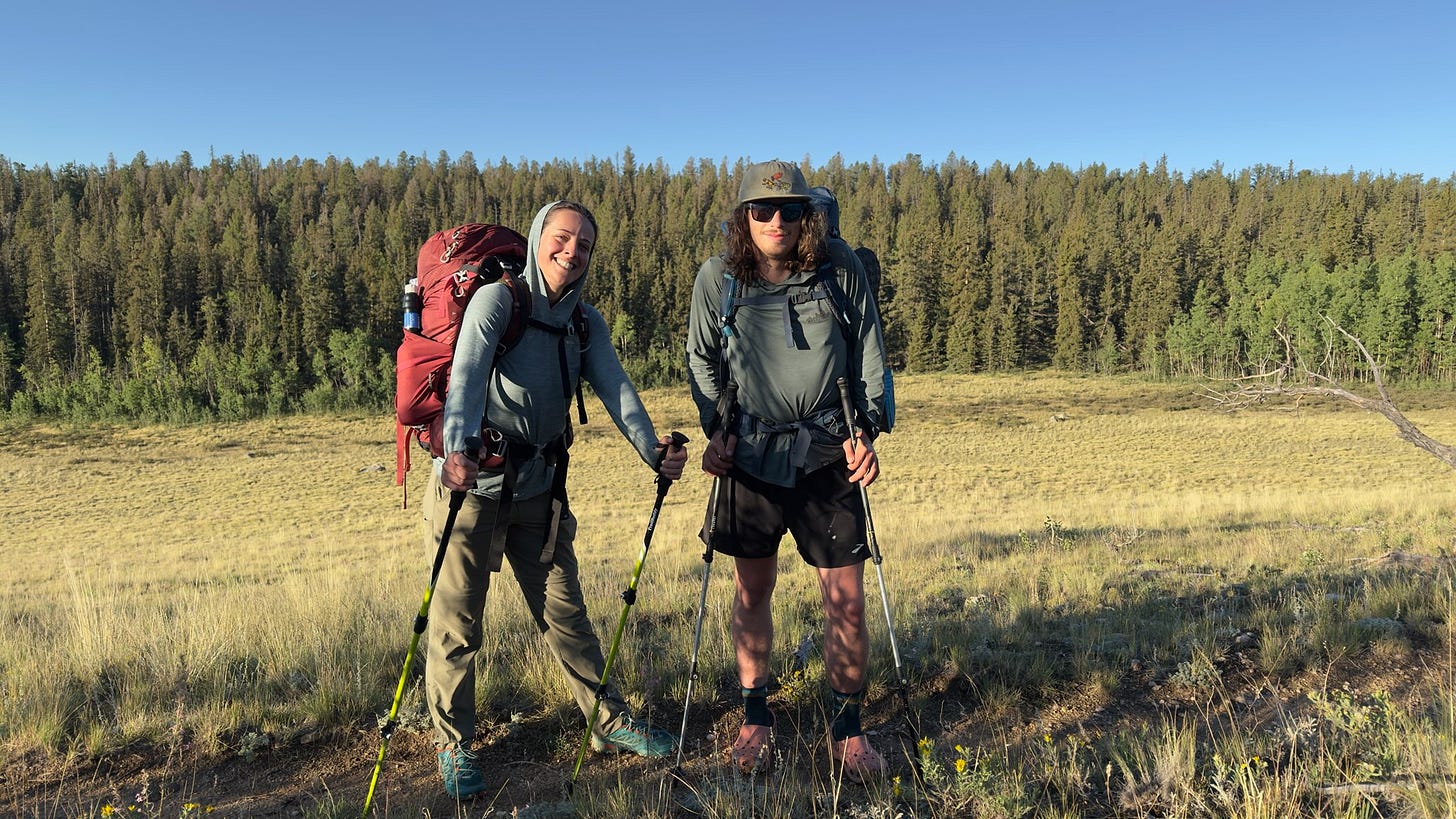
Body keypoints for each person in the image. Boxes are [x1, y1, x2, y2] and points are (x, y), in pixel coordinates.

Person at [427, 200, 687, 798]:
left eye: (584, 245)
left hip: (540, 492)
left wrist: (653, 449)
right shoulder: (500, 300)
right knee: (457, 622)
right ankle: (455, 744)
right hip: (474, 485)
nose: (572, 251)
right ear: (538, 239)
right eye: (562, 238)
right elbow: (465, 375)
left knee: (566, 614)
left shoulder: (584, 323)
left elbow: (616, 388)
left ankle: (608, 722)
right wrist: (457, 453)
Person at [686, 160, 891, 782]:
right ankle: (755, 717)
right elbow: (701, 361)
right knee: (753, 589)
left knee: (846, 600)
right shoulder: (718, 279)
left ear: (809, 215)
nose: (777, 220)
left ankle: (848, 731)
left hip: (829, 453)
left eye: (791, 209)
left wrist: (869, 431)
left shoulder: (841, 270)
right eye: (762, 209)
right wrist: (715, 430)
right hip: (749, 455)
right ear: (743, 216)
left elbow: (870, 354)